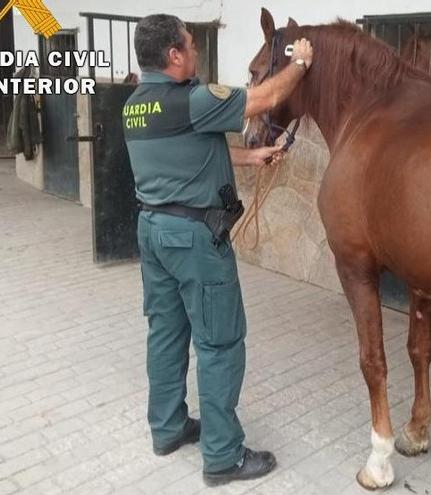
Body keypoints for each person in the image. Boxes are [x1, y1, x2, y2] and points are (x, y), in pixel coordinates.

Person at [123, 14, 312, 486]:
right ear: (174, 55)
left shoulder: (135, 106)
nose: (196, 50)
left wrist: (250, 156)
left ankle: (167, 429)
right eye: (190, 44)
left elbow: (191, 150)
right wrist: (302, 62)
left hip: (153, 230)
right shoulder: (194, 99)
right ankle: (224, 456)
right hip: (194, 240)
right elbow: (267, 97)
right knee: (219, 343)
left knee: (166, 333)